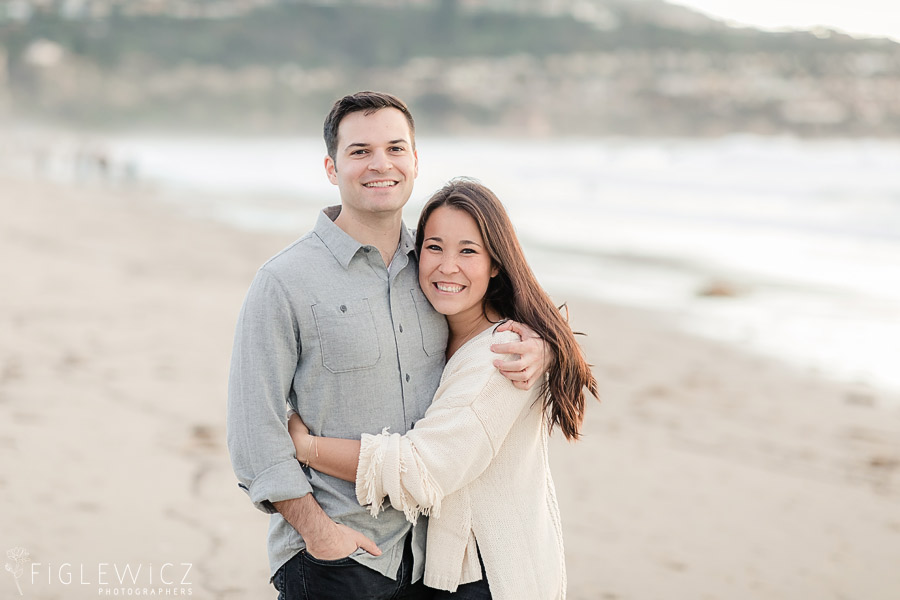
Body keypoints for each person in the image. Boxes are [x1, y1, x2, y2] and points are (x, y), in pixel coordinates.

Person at [226, 92, 550, 600]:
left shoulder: (431, 269)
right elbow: (253, 434)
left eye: (395, 148)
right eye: (360, 151)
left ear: (415, 162)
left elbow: (495, 313)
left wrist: (542, 346)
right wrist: (319, 533)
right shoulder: (283, 282)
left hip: (427, 560)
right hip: (336, 556)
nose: (381, 164)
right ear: (332, 168)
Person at [287, 179, 599, 599]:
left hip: (491, 577)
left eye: (468, 251)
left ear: (495, 263)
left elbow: (421, 469)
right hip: (446, 569)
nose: (447, 266)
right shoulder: (434, 334)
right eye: (434, 247)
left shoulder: (503, 356)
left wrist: (307, 448)